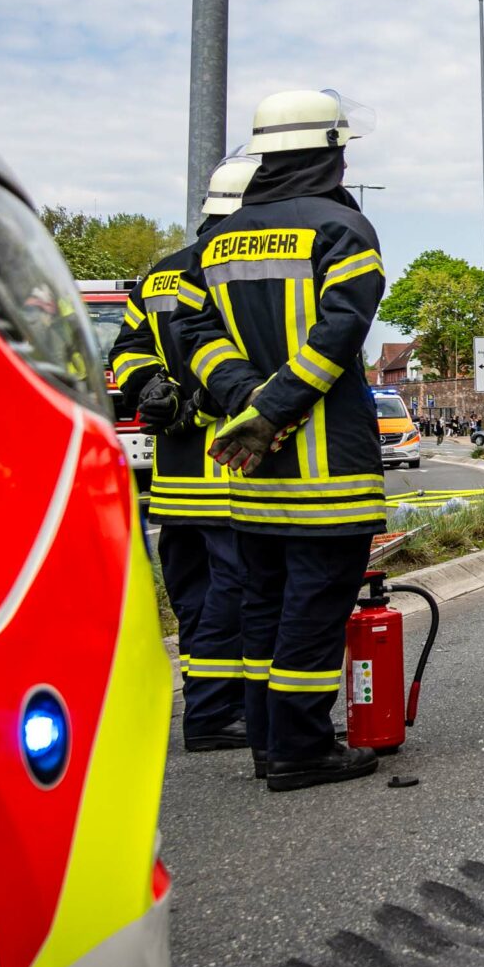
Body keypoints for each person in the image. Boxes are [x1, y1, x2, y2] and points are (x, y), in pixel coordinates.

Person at [178, 90, 388, 792]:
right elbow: (339, 333)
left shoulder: (217, 240)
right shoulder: (342, 229)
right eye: (341, 147)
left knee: (264, 606)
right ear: (326, 153)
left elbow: (194, 337)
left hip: (251, 474)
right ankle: (302, 748)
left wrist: (244, 401)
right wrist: (274, 408)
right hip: (327, 471)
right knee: (313, 609)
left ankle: (269, 744)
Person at [108, 153, 256, 751]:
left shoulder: (157, 278)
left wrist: (149, 386)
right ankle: (217, 714)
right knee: (236, 592)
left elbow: (128, 350)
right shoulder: (235, 275)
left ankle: (204, 705)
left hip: (173, 480)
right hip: (231, 472)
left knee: (194, 594)